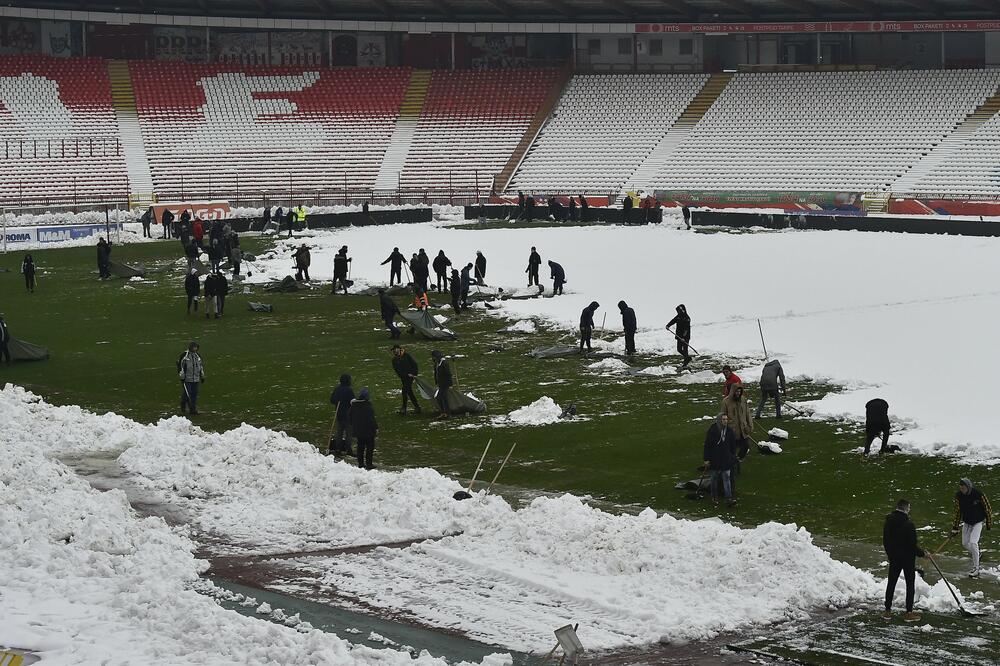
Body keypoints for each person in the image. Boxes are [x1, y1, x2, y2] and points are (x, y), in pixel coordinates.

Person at [883, 499, 926, 621]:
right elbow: (912, 546)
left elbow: (886, 541)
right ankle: (908, 612)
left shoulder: (888, 521)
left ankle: (887, 611)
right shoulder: (909, 524)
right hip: (907, 559)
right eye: (909, 508)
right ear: (906, 509)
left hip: (894, 557)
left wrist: (890, 555)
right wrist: (923, 554)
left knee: (891, 583)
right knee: (909, 584)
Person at [952, 478, 993, 578]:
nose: (962, 489)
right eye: (960, 488)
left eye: (963, 488)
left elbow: (987, 508)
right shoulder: (959, 496)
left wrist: (989, 523)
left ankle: (976, 568)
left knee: (973, 542)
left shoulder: (978, 494)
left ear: (968, 487)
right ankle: (977, 555)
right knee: (965, 543)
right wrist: (955, 527)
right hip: (967, 522)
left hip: (978, 522)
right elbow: (958, 511)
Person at [703, 413, 737, 506]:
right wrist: (706, 459)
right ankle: (714, 497)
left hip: (726, 459)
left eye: (726, 419)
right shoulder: (713, 430)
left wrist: (733, 456)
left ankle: (728, 498)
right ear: (719, 420)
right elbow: (707, 445)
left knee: (727, 478)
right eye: (723, 419)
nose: (725, 421)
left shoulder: (729, 431)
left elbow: (732, 445)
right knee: (714, 479)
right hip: (715, 458)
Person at [722, 382, 753, 467]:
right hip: (732, 431)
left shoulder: (743, 400)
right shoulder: (726, 401)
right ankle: (731, 464)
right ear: (732, 391)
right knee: (732, 450)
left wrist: (750, 426)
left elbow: (747, 413)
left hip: (743, 429)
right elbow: (723, 416)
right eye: (736, 391)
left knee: (746, 446)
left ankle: (737, 460)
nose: (738, 393)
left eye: (739, 391)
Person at [349, 387, 378, 470]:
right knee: (369, 447)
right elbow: (371, 419)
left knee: (360, 447)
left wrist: (353, 424)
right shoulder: (368, 406)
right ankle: (369, 463)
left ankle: (361, 463)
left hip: (358, 430)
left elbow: (350, 416)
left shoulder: (354, 405)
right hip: (368, 430)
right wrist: (375, 427)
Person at [329, 374, 355, 457]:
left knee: (339, 433)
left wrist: (338, 401)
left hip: (339, 414)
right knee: (348, 433)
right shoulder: (349, 390)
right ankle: (348, 449)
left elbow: (332, 400)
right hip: (348, 415)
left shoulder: (337, 389)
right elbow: (352, 402)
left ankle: (338, 449)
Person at [392, 344, 421, 415]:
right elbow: (398, 371)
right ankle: (417, 407)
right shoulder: (394, 360)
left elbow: (414, 365)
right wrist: (405, 375)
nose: (395, 351)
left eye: (396, 349)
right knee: (409, 392)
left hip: (410, 377)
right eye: (394, 350)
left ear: (399, 349)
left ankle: (404, 408)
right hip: (404, 378)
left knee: (404, 391)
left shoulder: (407, 356)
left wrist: (414, 374)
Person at [178, 341, 205, 415]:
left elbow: (200, 366)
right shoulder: (184, 356)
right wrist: (182, 376)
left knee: (194, 394)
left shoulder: (198, 356)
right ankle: (183, 404)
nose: (195, 348)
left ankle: (193, 409)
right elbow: (181, 367)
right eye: (194, 347)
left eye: (196, 347)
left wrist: (202, 376)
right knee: (187, 393)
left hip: (196, 379)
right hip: (187, 379)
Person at [431, 350, 453, 419]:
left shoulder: (444, 363)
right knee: (441, 398)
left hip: (445, 383)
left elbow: (448, 374)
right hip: (440, 384)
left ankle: (446, 413)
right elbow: (436, 373)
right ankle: (445, 412)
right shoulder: (437, 364)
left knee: (441, 397)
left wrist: (450, 384)